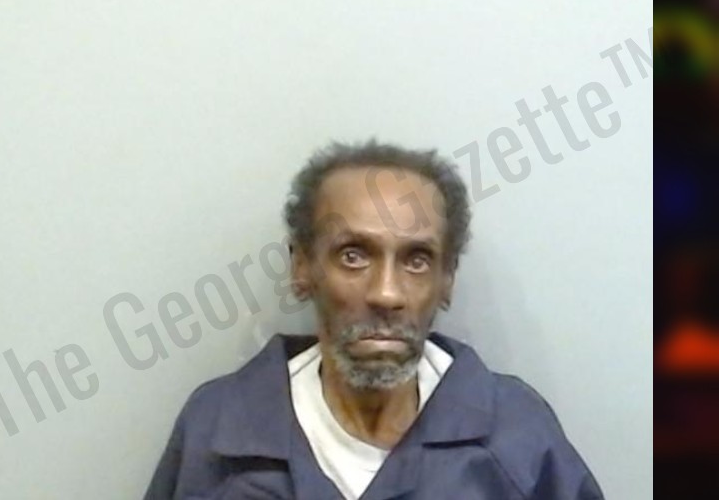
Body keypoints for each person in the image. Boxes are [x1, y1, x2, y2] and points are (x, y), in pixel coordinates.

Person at [143, 139, 604, 499]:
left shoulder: (516, 436)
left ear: (447, 280)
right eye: (353, 255)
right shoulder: (219, 427)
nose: (386, 293)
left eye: (417, 260)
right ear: (302, 267)